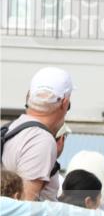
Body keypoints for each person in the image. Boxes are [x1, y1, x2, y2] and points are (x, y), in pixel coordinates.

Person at [1, 67, 72, 201]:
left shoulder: (10, 129)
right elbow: (26, 209)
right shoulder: (41, 140)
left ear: (28, 96)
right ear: (64, 103)